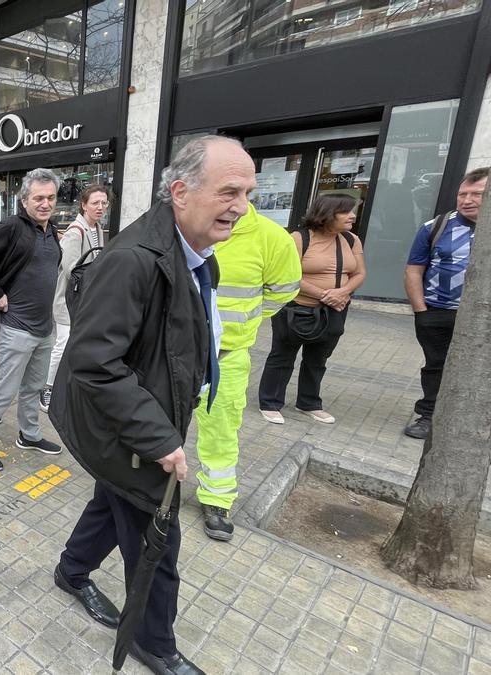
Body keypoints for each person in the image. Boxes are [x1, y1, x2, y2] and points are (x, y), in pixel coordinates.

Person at [50, 135, 253, 675]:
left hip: (143, 421)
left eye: (248, 192)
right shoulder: (135, 259)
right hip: (127, 431)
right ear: (181, 192)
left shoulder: (193, 251)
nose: (241, 206)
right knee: (156, 543)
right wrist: (161, 439)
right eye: (229, 191)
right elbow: (93, 362)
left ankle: (71, 572)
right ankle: (152, 643)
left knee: (111, 502)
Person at [193, 203, 301, 542]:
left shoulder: (271, 238)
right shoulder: (185, 226)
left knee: (222, 428)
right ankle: (148, 486)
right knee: (158, 420)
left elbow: (284, 290)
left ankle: (216, 498)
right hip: (173, 354)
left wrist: (243, 322)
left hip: (227, 355)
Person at [0, 168, 64, 472]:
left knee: (34, 387)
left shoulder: (52, 231)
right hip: (17, 326)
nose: (45, 203)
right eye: (38, 198)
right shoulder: (12, 227)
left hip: (45, 328)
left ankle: (30, 435)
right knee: (5, 390)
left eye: (50, 197)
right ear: (24, 201)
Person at [258, 194, 366, 425]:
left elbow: (359, 273)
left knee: (318, 358)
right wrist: (326, 295)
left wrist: (343, 292)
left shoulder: (351, 240)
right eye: (345, 211)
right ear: (327, 213)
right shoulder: (299, 238)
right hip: (296, 308)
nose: (352, 216)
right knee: (283, 354)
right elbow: (287, 275)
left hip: (334, 310)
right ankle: (270, 402)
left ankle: (308, 403)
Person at [403, 167, 487, 438]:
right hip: (437, 312)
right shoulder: (435, 227)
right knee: (436, 365)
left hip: (483, 318)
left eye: (477, 194)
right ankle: (429, 416)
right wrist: (421, 311)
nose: (467, 199)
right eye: (463, 193)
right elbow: (414, 270)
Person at [42, 184, 110, 413]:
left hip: (85, 300)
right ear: (83, 205)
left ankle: (68, 386)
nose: (100, 207)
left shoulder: (97, 228)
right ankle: (47, 389)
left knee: (75, 344)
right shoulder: (75, 232)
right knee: (62, 345)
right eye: (95, 203)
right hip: (67, 301)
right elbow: (71, 270)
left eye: (104, 203)